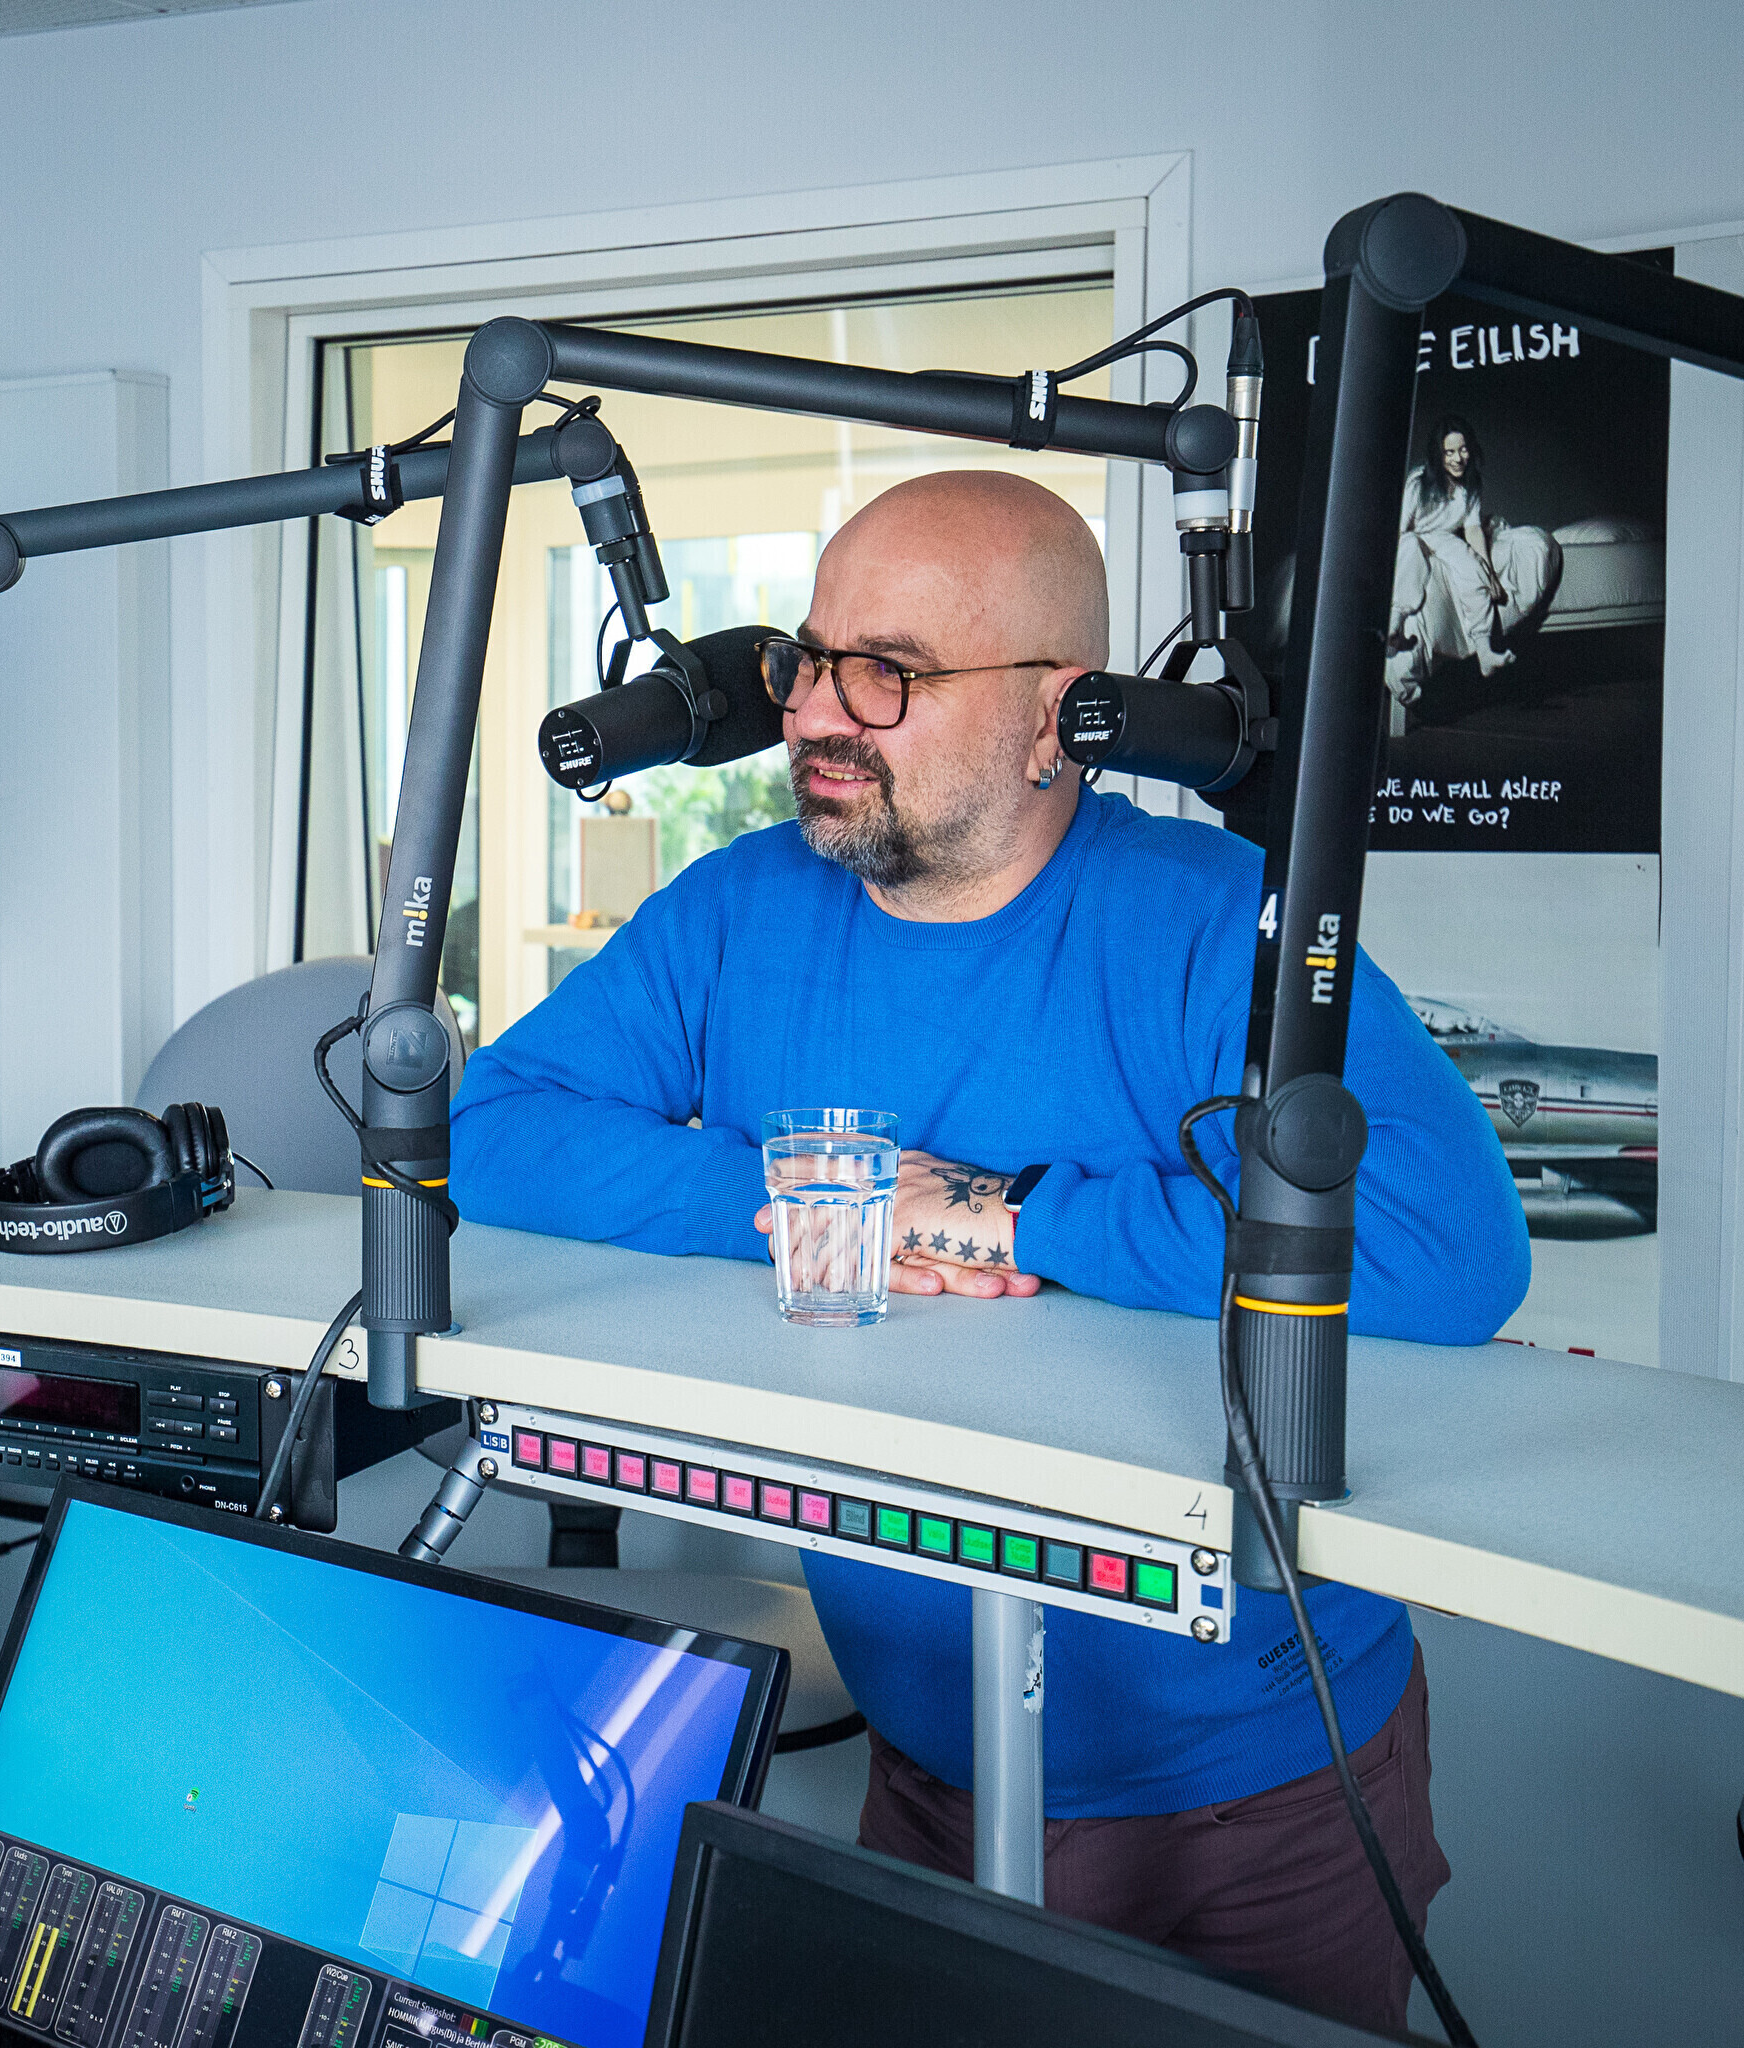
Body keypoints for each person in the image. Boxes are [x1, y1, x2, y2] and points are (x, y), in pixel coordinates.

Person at [451, 470, 1529, 2033]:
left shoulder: (1213, 921)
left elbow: (1449, 1247)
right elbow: (491, 1124)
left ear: (1052, 721)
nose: (814, 711)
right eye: (809, 658)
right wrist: (820, 1199)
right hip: (934, 1765)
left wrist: (1009, 1211)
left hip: (1256, 1797)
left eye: (887, 672)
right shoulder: (740, 909)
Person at [1386, 417, 1555, 717]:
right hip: (1413, 536)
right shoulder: (1418, 483)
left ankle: (1484, 652)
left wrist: (1489, 573)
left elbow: (1473, 529)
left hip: (1444, 537)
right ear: (1438, 454)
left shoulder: (1472, 484)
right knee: (1410, 549)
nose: (1457, 458)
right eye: (1449, 452)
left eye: (1462, 450)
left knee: (1471, 567)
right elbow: (1400, 530)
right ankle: (1395, 622)